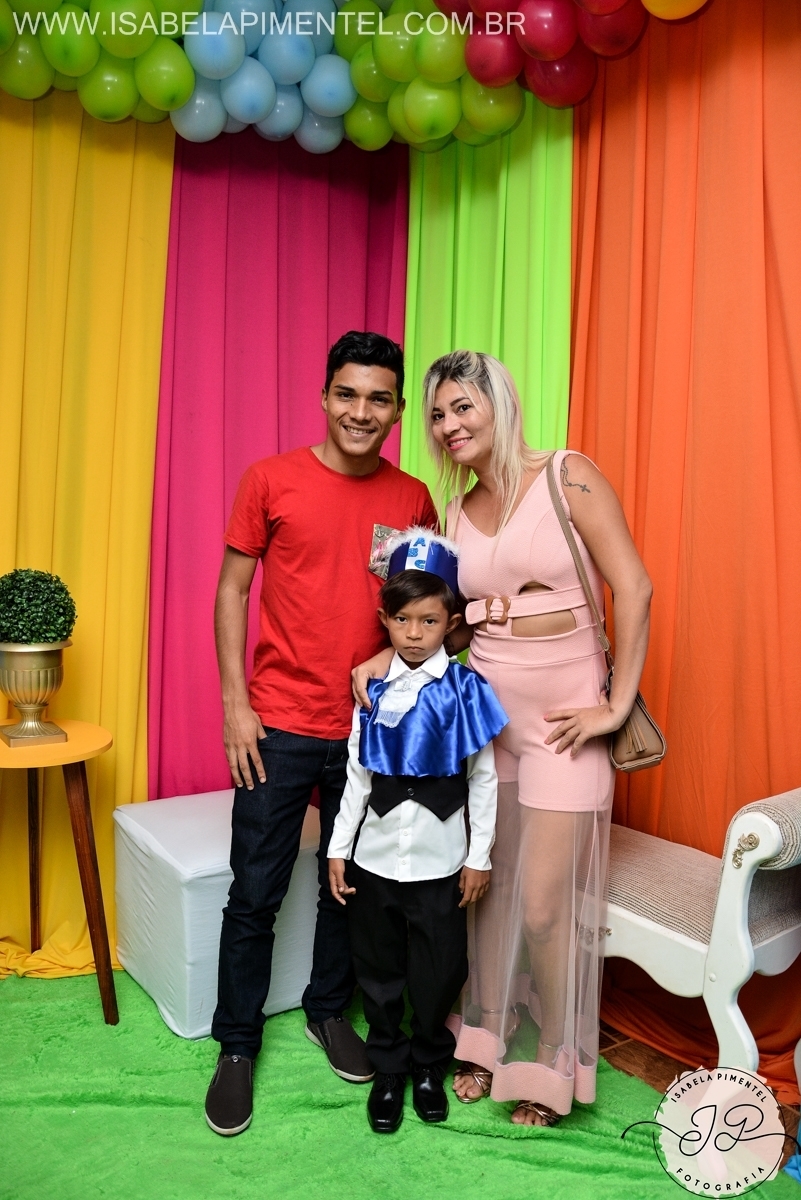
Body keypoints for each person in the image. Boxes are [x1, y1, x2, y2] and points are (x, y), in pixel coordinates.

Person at [353, 351, 652, 1128]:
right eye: (437, 414)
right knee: (482, 896)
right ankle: (482, 1040)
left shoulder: (566, 476)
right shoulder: (454, 512)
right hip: (486, 725)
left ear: (500, 404)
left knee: (544, 909)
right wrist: (386, 658)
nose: (448, 425)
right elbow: (447, 627)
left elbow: (633, 584)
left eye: (462, 407)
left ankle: (550, 1063)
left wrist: (614, 705)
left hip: (562, 729)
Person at [204, 331, 438, 1138]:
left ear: (397, 411)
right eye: (347, 394)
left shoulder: (412, 499)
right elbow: (231, 591)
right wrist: (236, 704)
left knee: (352, 888)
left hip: (370, 730)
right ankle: (236, 1046)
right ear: (324, 397)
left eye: (378, 398)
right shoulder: (269, 479)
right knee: (254, 892)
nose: (360, 411)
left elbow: (426, 612)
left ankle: (327, 1011)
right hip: (275, 722)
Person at [328, 530, 508, 1134]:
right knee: (378, 970)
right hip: (376, 859)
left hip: (440, 862)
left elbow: (483, 780)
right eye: (401, 619)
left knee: (439, 970)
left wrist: (478, 857)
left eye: (428, 621)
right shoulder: (371, 689)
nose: (413, 633)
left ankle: (429, 1063)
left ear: (449, 623)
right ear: (385, 619)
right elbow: (357, 776)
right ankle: (388, 1068)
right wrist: (338, 849)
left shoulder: (467, 690)